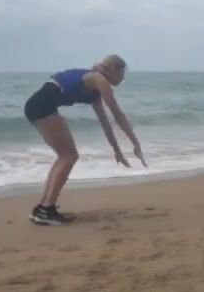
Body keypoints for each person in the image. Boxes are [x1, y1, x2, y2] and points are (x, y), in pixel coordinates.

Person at [24, 55, 147, 226]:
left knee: (65, 156)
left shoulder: (95, 88)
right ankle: (46, 210)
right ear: (113, 69)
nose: (123, 78)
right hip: (41, 105)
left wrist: (117, 151)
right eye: (122, 73)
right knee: (69, 156)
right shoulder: (99, 80)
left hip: (38, 106)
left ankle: (42, 208)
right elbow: (118, 115)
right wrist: (136, 143)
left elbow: (105, 122)